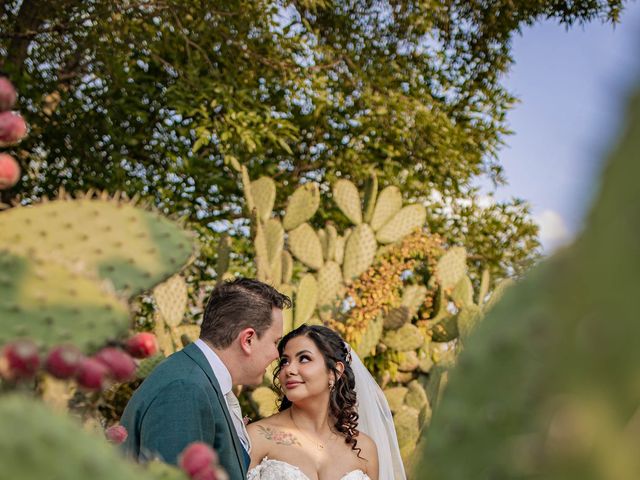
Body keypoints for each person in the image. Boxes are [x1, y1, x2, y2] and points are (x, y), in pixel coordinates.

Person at [120, 277, 291, 480]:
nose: (276, 355)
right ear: (248, 339)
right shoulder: (184, 389)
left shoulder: (198, 380)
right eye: (275, 342)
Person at [247, 324, 406, 480]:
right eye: (284, 362)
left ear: (335, 372)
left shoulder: (364, 448)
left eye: (304, 358)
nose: (289, 370)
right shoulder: (257, 437)